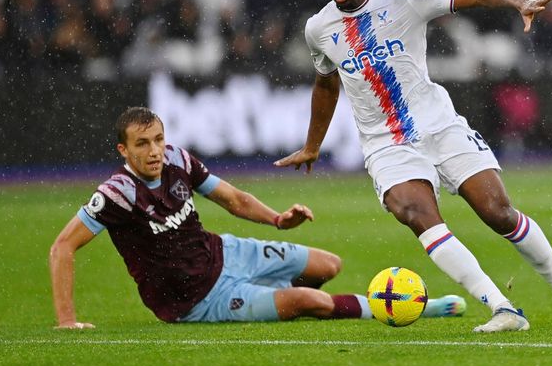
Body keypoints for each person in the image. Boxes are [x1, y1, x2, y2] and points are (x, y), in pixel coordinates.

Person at [274, 0, 552, 333]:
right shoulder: (319, 28)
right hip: (386, 144)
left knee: (498, 212)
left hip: (440, 126)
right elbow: (326, 84)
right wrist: (313, 146)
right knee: (417, 214)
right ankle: (503, 308)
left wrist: (519, 1)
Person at [49, 106, 464, 328]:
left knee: (329, 265)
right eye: (142, 144)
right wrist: (67, 321)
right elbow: (62, 247)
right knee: (310, 299)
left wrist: (278, 220)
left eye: (158, 139)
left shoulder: (177, 159)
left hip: (226, 254)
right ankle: (414, 307)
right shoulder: (116, 195)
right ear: (123, 151)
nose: (155, 150)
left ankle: (271, 294)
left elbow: (232, 199)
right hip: (194, 300)